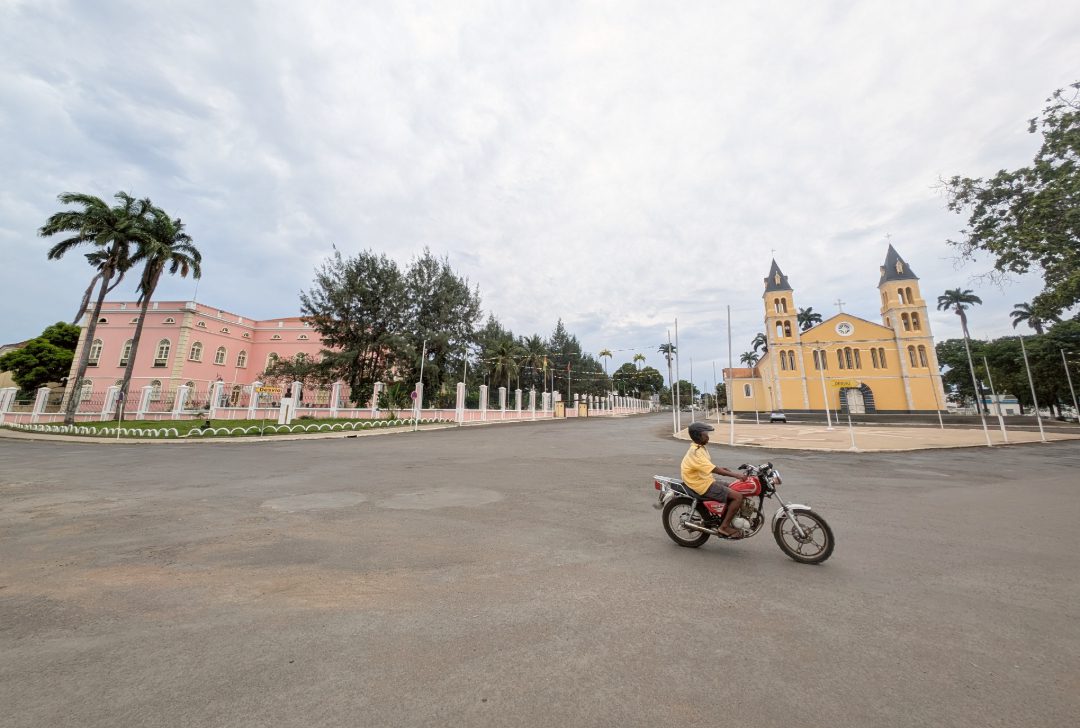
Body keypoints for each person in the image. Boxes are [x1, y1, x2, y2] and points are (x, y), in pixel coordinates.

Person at [681, 421, 746, 538]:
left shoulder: (700, 448)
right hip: (701, 485)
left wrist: (721, 469)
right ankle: (723, 527)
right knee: (737, 497)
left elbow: (707, 466)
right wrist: (737, 475)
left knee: (735, 487)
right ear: (697, 435)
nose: (707, 436)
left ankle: (728, 518)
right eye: (705, 433)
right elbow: (714, 469)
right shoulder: (695, 452)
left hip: (705, 479)